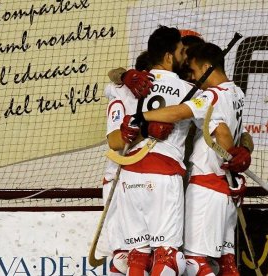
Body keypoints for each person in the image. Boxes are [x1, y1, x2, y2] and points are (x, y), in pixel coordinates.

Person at [126, 42, 252, 275]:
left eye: (194, 71)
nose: (193, 78)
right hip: (227, 190)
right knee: (227, 264)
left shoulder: (211, 96)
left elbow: (181, 113)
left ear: (206, 66)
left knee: (194, 263)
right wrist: (238, 164)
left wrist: (140, 117)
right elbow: (240, 134)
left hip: (206, 185)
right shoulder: (237, 93)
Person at [118, 25, 197, 276]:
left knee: (138, 257)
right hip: (163, 175)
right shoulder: (188, 90)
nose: (184, 57)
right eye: (181, 51)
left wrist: (123, 76)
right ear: (168, 57)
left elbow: (113, 81)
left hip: (129, 175)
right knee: (169, 258)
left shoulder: (130, 87)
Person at [103, 51, 169, 275]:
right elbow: (114, 141)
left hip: (152, 179)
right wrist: (123, 76)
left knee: (154, 256)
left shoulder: (170, 92)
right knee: (123, 259)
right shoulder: (121, 95)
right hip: (119, 179)